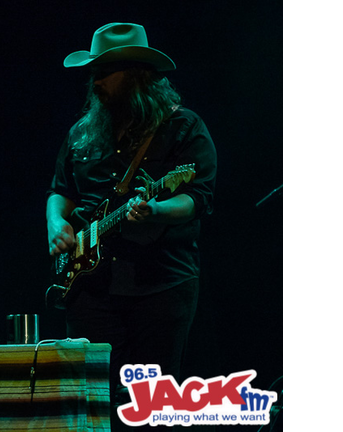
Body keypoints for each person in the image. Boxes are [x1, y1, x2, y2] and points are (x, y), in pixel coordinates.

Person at [46, 23, 216, 430]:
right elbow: (61, 190)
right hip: (89, 286)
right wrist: (56, 224)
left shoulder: (183, 128)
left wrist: (157, 211)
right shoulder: (83, 132)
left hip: (160, 284)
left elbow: (196, 198)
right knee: (90, 400)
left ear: (138, 73)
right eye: (94, 72)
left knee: (150, 405)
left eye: (106, 71)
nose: (96, 80)